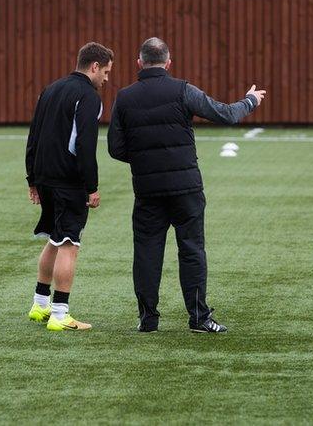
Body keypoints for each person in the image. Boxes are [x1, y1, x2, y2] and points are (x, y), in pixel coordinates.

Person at [107, 37, 266, 333]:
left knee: (146, 252)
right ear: (168, 63)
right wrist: (250, 101)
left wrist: (145, 161)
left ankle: (148, 319)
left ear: (139, 63)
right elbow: (225, 114)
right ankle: (198, 317)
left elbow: (116, 148)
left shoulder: (125, 97)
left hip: (148, 191)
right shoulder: (183, 90)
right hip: (186, 188)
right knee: (192, 249)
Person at [25, 42, 114, 332]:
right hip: (68, 182)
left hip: (45, 179)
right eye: (106, 72)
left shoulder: (49, 89)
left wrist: (32, 180)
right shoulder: (88, 96)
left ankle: (40, 305)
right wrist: (91, 186)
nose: (107, 79)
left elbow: (33, 137)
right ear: (94, 67)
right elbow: (84, 145)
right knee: (68, 244)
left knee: (54, 238)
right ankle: (61, 314)